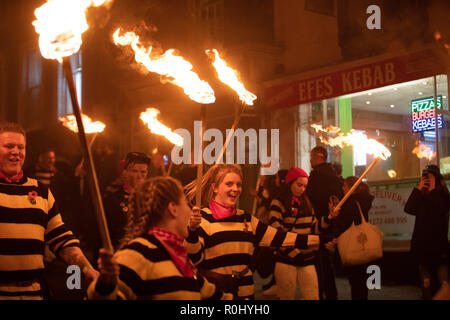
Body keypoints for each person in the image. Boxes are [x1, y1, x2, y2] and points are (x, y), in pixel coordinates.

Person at [185, 164, 334, 300]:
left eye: (238, 184)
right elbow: (195, 258)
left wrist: (320, 241)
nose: (235, 189)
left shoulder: (247, 219)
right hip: (217, 291)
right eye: (229, 184)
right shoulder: (201, 219)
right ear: (215, 187)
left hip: (246, 291)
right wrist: (191, 230)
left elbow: (281, 238)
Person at [88, 176, 233, 300]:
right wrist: (105, 284)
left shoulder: (177, 257)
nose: (190, 211)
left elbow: (212, 295)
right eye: (186, 204)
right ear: (173, 209)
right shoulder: (137, 254)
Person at [0, 123, 99, 300]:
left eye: (20, 147)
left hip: (34, 294)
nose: (16, 151)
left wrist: (88, 269)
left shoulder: (41, 191)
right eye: (8, 146)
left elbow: (63, 240)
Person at [269, 167, 337, 300]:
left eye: (305, 186)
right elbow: (276, 231)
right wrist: (293, 253)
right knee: (286, 297)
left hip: (306, 258)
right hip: (286, 258)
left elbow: (314, 229)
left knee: (312, 296)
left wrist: (329, 217)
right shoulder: (278, 202)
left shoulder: (307, 203)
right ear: (289, 183)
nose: (302, 189)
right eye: (299, 185)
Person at [404, 164, 449, 300]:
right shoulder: (420, 195)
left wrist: (434, 189)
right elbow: (409, 209)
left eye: (430, 178)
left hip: (439, 247)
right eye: (425, 178)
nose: (427, 181)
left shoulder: (443, 195)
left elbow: (441, 208)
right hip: (422, 247)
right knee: (426, 283)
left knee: (444, 283)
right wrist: (418, 190)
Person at [306, 146, 343, 300]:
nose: (310, 159)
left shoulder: (316, 176)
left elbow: (312, 199)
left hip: (319, 223)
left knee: (320, 263)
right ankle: (331, 294)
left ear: (319, 156)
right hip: (331, 222)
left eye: (312, 156)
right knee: (326, 262)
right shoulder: (334, 176)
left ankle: (319, 293)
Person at [331, 176, 374, 300]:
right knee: (361, 281)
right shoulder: (363, 201)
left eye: (345, 185)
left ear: (352, 188)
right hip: (363, 244)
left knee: (355, 281)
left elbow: (344, 223)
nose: (342, 188)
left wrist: (336, 216)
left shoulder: (349, 203)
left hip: (352, 245)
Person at [103, 152, 150, 250]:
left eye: (143, 172)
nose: (139, 176)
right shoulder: (113, 200)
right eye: (135, 171)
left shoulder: (150, 200)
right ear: (125, 173)